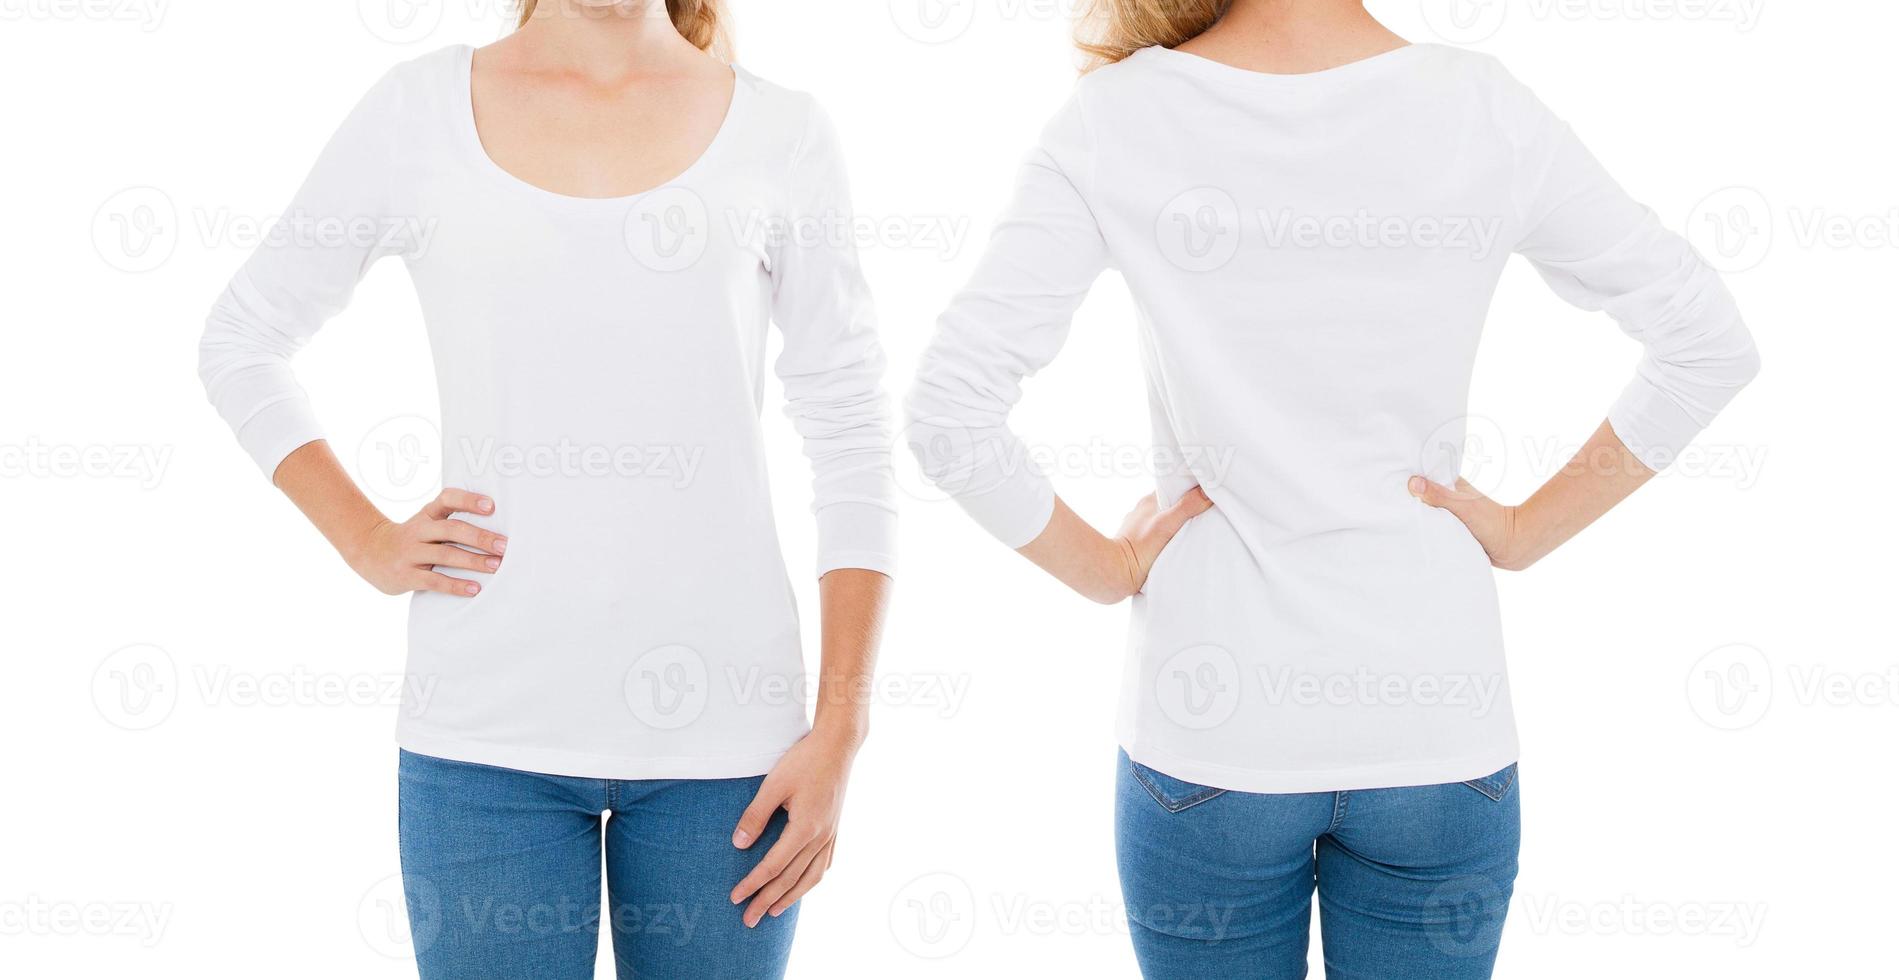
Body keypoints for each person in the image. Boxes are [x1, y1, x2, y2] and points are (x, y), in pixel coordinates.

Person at [904, 1, 1759, 976]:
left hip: (1214, 732)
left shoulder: (1119, 117)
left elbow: (948, 410)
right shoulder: (1481, 108)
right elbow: (1707, 341)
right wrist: (1523, 531)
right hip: (1436, 728)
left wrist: (1108, 569)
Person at [197, 2, 896, 976]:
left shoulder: (782, 130)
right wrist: (363, 536)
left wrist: (843, 725)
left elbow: (853, 431)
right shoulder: (419, 112)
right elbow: (242, 341)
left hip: (731, 745)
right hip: (484, 739)